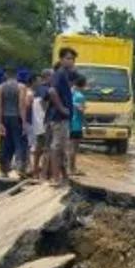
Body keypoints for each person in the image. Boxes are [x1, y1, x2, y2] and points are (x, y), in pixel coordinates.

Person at [47, 46, 78, 183]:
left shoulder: (65, 75)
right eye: (68, 58)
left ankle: (63, 176)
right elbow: (52, 91)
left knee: (63, 147)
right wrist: (61, 108)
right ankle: (55, 177)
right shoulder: (59, 74)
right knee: (57, 146)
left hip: (64, 118)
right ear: (61, 59)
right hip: (58, 117)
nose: (71, 62)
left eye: (73, 59)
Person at [0, 68, 25, 179]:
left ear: (5, 75)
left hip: (4, 118)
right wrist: (24, 122)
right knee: (18, 142)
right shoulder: (21, 87)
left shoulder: (0, 87)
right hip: (16, 117)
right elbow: (21, 106)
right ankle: (19, 166)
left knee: (4, 143)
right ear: (16, 75)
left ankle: (3, 170)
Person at [28, 72, 50, 179]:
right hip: (44, 124)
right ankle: (44, 173)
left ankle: (36, 170)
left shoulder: (35, 91)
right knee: (46, 149)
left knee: (38, 149)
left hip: (37, 125)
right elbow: (44, 105)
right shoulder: (45, 90)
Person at [67, 73, 89, 176]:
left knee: (68, 147)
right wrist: (86, 125)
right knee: (74, 148)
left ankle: (67, 168)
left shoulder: (69, 93)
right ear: (83, 84)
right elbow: (81, 112)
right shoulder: (80, 97)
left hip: (67, 123)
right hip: (76, 125)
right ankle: (72, 169)